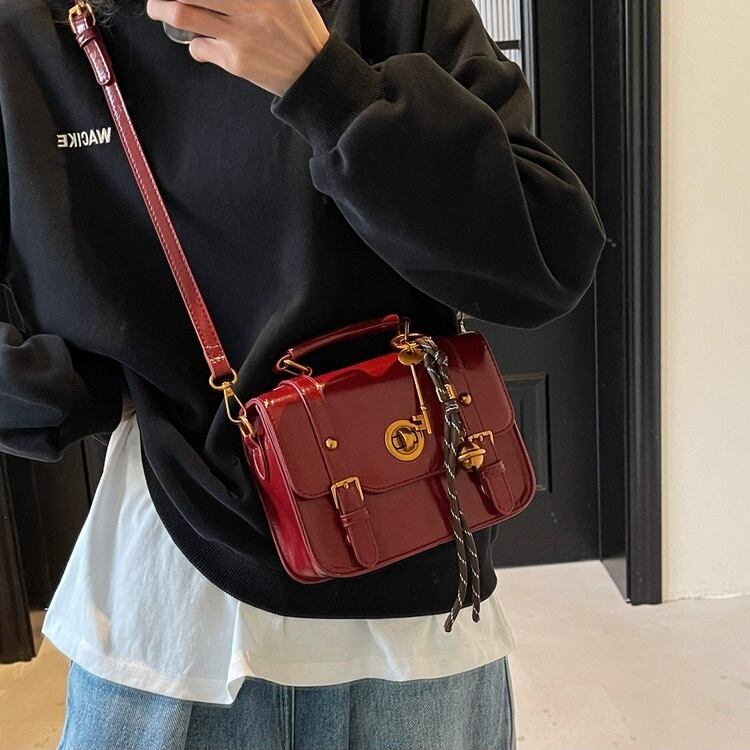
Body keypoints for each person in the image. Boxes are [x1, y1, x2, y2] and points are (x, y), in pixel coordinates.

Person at [0, 0, 607, 747]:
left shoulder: (388, 10)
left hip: (414, 602)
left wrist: (323, 81)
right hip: (171, 613)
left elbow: (545, 257)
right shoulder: (34, 34)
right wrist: (87, 387)